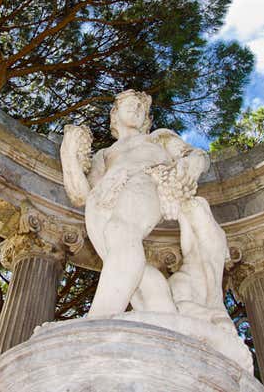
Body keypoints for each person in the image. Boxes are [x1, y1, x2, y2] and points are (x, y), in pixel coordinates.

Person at [60, 89, 210, 316]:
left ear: (147, 119)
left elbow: (195, 155)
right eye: (131, 103)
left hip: (142, 182)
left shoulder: (158, 137)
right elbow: (81, 195)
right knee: (136, 275)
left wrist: (194, 165)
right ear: (115, 113)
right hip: (100, 202)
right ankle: (167, 317)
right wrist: (68, 155)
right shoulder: (103, 154)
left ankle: (99, 318)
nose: (137, 108)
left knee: (121, 232)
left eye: (142, 107)